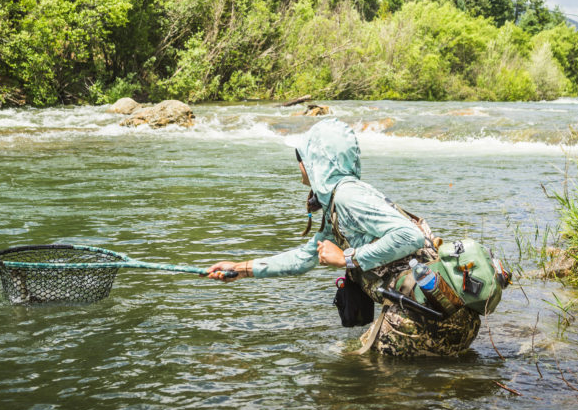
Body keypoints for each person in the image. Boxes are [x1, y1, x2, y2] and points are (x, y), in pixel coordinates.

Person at [205, 118, 480, 356]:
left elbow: (409, 236)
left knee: (349, 374)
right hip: (441, 317)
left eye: (301, 158)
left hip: (430, 319)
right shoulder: (337, 202)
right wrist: (241, 269)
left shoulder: (348, 196)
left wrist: (347, 257)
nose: (299, 166)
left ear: (316, 161)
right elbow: (304, 258)